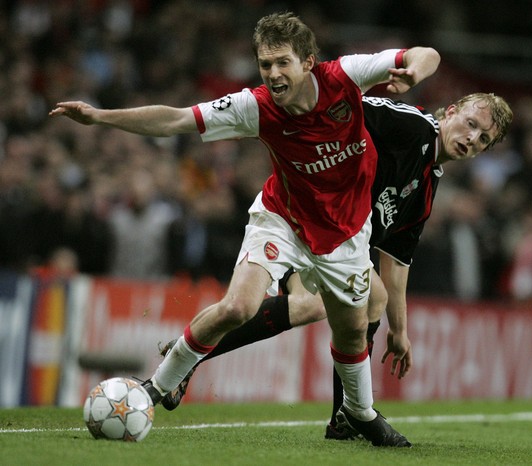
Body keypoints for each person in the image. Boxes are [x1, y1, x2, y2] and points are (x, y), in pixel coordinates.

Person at [50, 12, 441, 447]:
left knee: (351, 330)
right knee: (238, 306)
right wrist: (100, 117)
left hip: (346, 232)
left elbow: (425, 53)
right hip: (283, 219)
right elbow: (175, 120)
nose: (272, 74)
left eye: (281, 63)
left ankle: (360, 413)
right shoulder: (254, 107)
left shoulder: (345, 77)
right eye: (264, 64)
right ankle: (155, 388)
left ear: (308, 62)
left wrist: (414, 72)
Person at [155, 93, 513, 439]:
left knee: (347, 301)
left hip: (337, 247)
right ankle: (344, 416)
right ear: (450, 112)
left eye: (484, 139)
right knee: (350, 300)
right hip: (305, 217)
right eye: (470, 124)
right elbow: (344, 103)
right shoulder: (413, 126)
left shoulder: (426, 183)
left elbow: (397, 261)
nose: (472, 138)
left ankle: (195, 354)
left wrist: (399, 330)